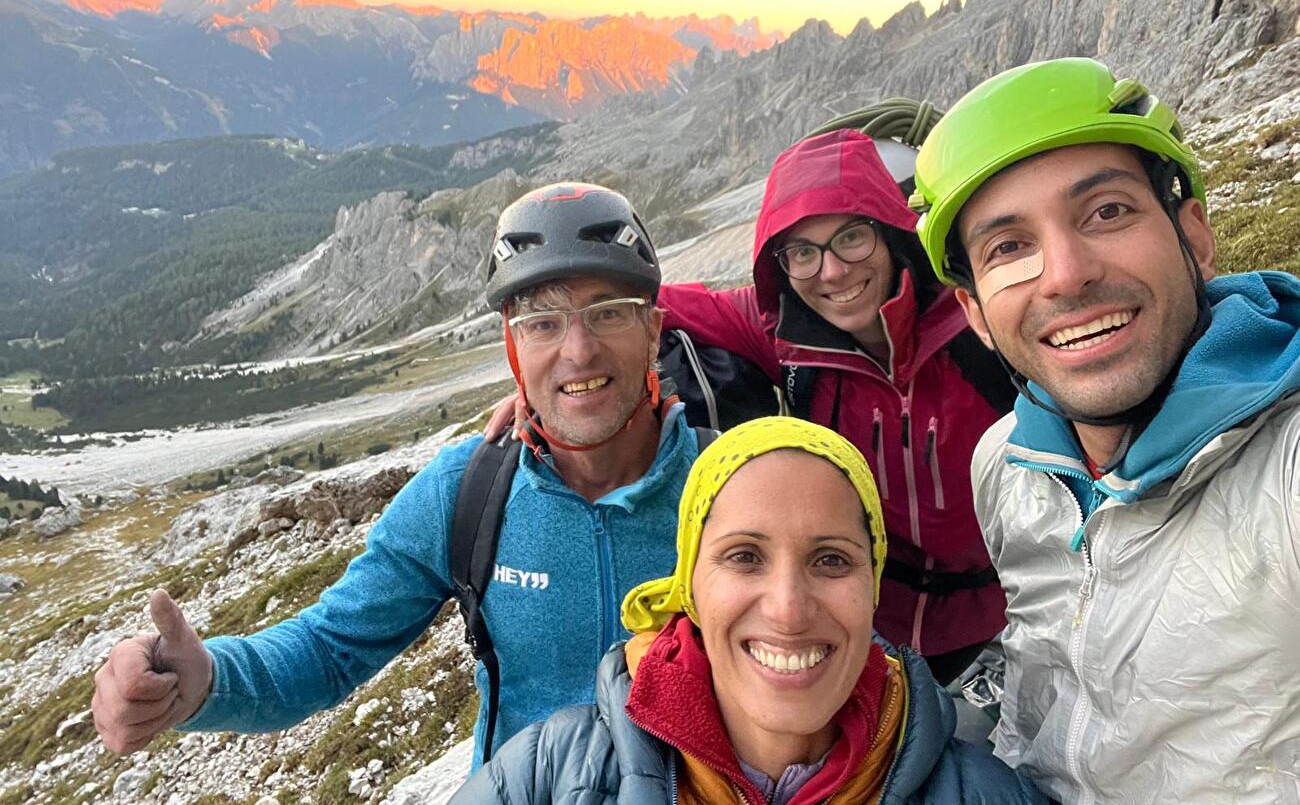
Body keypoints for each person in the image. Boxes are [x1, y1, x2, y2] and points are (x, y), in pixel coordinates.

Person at [91, 182, 707, 766]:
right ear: (513, 348)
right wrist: (206, 680)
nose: (578, 350)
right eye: (542, 322)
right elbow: (329, 648)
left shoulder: (731, 486)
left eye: (608, 313)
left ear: (653, 329)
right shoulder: (468, 491)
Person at [910, 56, 1300, 804]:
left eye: (1108, 212)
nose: (1065, 273)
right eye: (1009, 247)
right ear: (975, 315)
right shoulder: (1009, 463)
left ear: (1196, 235)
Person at [453, 417, 1048, 805]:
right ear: (690, 584)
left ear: (872, 586)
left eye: (832, 560)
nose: (788, 609)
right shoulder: (547, 777)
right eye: (744, 557)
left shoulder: (987, 794)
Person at [654, 100, 1015, 683]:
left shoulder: (978, 321)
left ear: (892, 233)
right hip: (876, 624)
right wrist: (556, 381)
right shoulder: (786, 333)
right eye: (801, 253)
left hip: (1008, 612)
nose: (831, 272)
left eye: (852, 237)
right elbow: (664, 302)